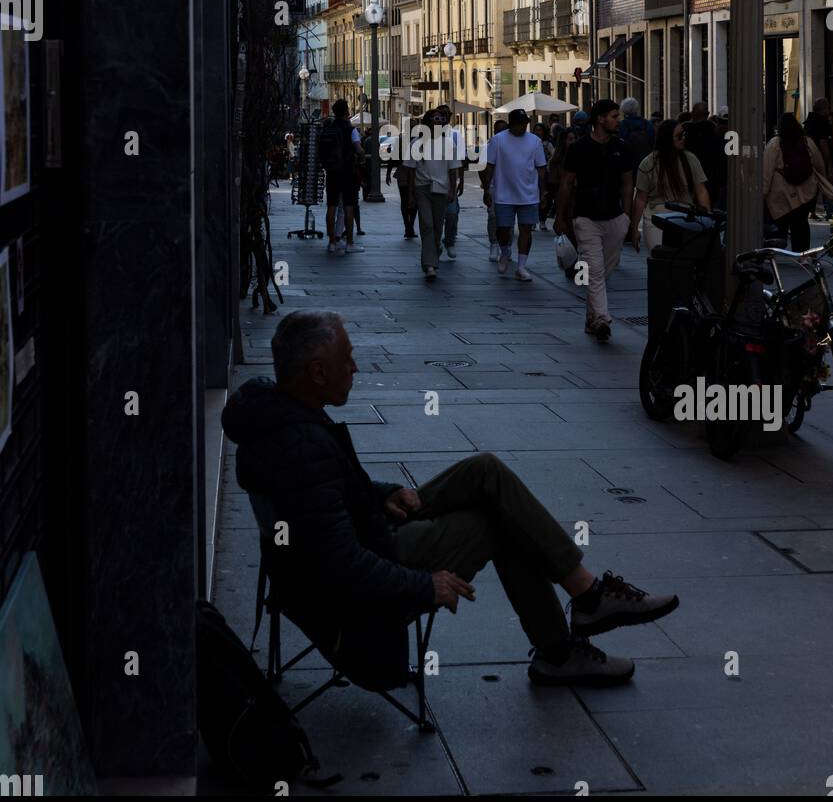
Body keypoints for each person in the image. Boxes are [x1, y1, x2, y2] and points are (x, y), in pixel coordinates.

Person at [222, 312, 680, 688]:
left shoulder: (283, 414)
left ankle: (586, 596)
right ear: (317, 372)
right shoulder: (301, 448)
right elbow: (341, 563)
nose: (356, 369)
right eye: (347, 360)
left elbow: (329, 499)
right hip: (372, 566)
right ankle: (563, 644)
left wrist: (382, 495)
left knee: (484, 470)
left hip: (367, 528)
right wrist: (424, 586)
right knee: (500, 522)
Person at [555, 100, 635, 343]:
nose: (618, 121)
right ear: (600, 119)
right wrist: (560, 216)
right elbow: (567, 183)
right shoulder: (579, 148)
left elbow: (627, 183)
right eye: (614, 116)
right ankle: (602, 318)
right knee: (595, 270)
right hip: (586, 217)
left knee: (606, 269)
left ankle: (592, 317)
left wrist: (627, 218)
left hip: (615, 217)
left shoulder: (621, 147)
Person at [479, 109, 547, 282]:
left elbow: (541, 168)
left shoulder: (535, 141)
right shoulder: (498, 140)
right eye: (520, 124)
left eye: (525, 123)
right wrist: (487, 189)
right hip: (503, 193)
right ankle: (505, 250)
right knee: (503, 229)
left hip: (529, 194)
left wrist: (543, 191)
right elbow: (489, 166)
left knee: (526, 229)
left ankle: (521, 266)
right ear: (512, 124)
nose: (523, 126)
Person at [630, 119, 711, 252]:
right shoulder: (649, 163)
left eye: (684, 135)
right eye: (679, 136)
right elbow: (640, 198)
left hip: (685, 216)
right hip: (657, 218)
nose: (683, 139)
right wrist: (634, 229)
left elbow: (701, 190)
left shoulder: (690, 159)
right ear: (667, 138)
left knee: (682, 263)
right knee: (661, 261)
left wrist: (707, 219)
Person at [763, 113, 833, 252]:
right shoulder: (807, 141)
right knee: (801, 223)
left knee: (780, 223)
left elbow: (767, 171)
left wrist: (763, 192)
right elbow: (818, 165)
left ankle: (778, 250)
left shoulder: (775, 144)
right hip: (806, 191)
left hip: (781, 193)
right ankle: (802, 252)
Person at [402, 110, 460, 281]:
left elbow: (453, 170)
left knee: (437, 227)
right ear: (427, 123)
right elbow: (411, 170)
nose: (438, 123)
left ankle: (433, 254)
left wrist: (452, 190)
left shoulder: (449, 144)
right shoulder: (416, 143)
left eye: (441, 121)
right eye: (435, 120)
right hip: (422, 188)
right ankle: (429, 265)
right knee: (427, 225)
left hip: (441, 189)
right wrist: (411, 194)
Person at [321, 101, 364, 255]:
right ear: (346, 112)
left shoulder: (328, 129)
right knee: (348, 207)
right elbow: (358, 149)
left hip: (332, 172)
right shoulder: (351, 130)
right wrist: (361, 155)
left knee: (331, 207)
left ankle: (332, 242)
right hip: (347, 172)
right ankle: (350, 243)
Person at [682, 101, 725, 207]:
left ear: (692, 114)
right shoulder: (716, 134)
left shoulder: (683, 135)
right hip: (711, 181)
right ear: (708, 114)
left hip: (687, 181)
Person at [439, 106, 465, 261]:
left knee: (452, 214)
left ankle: (449, 241)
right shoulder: (425, 135)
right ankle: (435, 244)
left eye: (446, 115)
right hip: (430, 183)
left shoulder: (455, 135)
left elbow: (460, 160)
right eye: (440, 115)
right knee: (435, 218)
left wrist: (461, 180)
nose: (443, 118)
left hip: (449, 183)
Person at [385, 133, 417, 239]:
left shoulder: (402, 140)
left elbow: (393, 158)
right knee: (413, 202)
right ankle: (410, 227)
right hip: (414, 174)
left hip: (403, 172)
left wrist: (388, 173)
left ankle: (408, 227)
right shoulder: (417, 139)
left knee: (404, 201)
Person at [486, 118, 509, 261]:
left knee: (509, 220)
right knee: (493, 216)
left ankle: (507, 246)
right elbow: (484, 167)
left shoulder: (513, 145)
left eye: (503, 130)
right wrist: (486, 187)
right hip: (494, 186)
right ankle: (494, 244)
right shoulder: (490, 145)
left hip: (510, 187)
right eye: (498, 130)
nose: (500, 133)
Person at [617, 97, 655, 164]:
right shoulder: (647, 123)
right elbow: (652, 141)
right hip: (646, 159)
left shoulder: (622, 125)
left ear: (623, 110)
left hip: (629, 161)